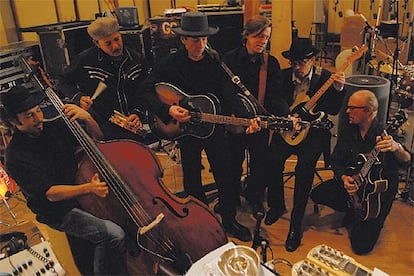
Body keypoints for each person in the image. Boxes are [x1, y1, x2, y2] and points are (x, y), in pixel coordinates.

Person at [144, 12, 259, 242]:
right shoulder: (169, 63)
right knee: (192, 178)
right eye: (196, 39)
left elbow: (230, 92)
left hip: (213, 128)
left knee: (225, 175)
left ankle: (228, 218)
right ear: (183, 40)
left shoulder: (215, 61)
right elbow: (145, 91)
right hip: (186, 130)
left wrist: (248, 117)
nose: (201, 44)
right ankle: (201, 220)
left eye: (204, 39)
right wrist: (168, 110)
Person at [1, 85, 127, 275]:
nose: (38, 118)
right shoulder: (15, 155)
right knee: (112, 235)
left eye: (38, 110)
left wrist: (87, 118)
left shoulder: (53, 128)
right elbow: (50, 194)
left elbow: (98, 141)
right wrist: (88, 188)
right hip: (58, 211)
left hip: (82, 193)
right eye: (29, 116)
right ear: (13, 122)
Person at [266, 37, 346, 252]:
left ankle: (295, 224)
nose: (297, 67)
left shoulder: (326, 78)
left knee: (305, 167)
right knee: (272, 159)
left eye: (302, 62)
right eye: (294, 62)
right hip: (288, 128)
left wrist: (338, 90)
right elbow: (274, 99)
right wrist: (287, 115)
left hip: (314, 133)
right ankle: (276, 205)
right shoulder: (282, 76)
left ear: (312, 60)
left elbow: (333, 110)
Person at [310, 90, 411, 255]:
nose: (347, 111)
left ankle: (363, 217)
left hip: (376, 196)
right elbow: (336, 160)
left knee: (361, 247)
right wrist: (344, 178)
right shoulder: (349, 129)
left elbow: (407, 160)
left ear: (368, 110)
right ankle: (352, 208)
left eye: (352, 108)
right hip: (355, 182)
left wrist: (396, 148)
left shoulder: (386, 134)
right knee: (317, 194)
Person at [222, 15, 284, 217]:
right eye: (258, 36)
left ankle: (255, 198)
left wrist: (283, 115)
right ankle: (231, 199)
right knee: (232, 164)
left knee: (259, 164)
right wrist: (246, 117)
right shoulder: (229, 59)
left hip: (261, 124)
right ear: (246, 36)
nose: (262, 42)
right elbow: (227, 94)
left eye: (266, 38)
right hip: (236, 121)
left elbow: (275, 95)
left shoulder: (271, 63)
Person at [58, 17, 149, 141]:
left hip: (131, 123)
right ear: (97, 43)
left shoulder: (136, 59)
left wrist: (138, 113)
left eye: (117, 39)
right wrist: (79, 97)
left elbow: (145, 90)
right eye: (108, 43)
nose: (115, 46)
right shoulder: (85, 60)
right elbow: (63, 82)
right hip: (100, 124)